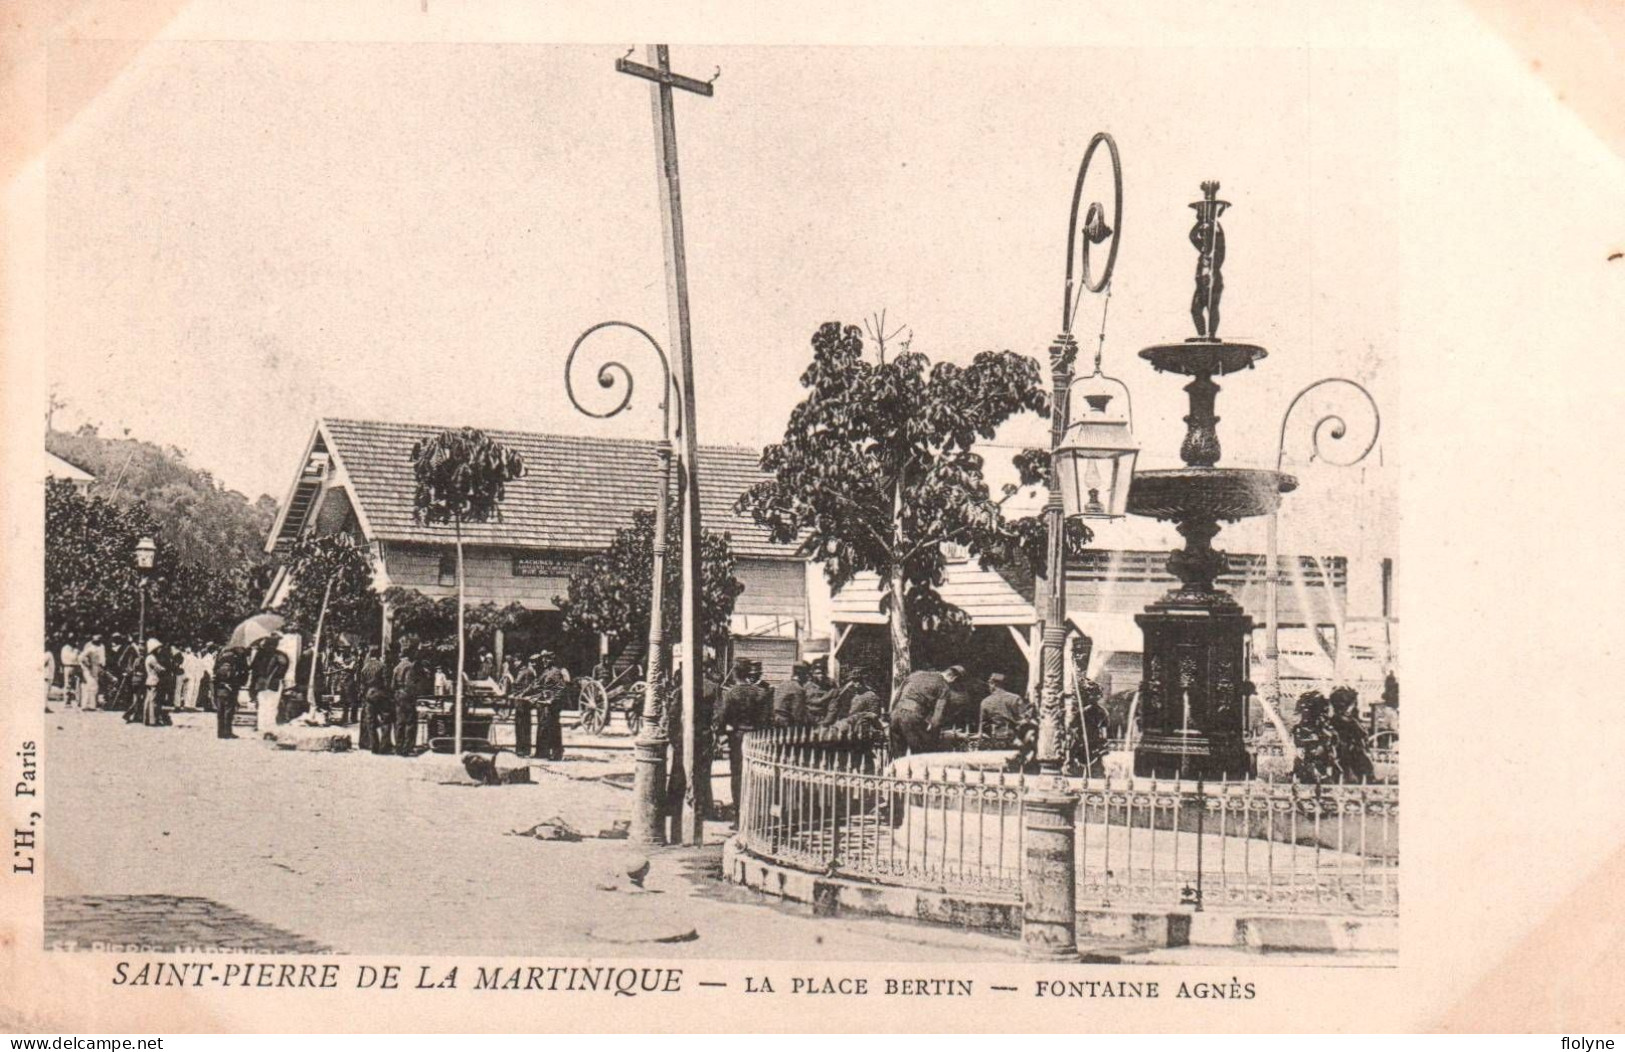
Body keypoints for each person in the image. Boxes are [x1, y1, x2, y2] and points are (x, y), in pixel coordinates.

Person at [719, 660, 771, 820]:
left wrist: (722, 734)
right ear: (748, 673)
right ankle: (754, 815)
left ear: (735, 673)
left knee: (737, 775)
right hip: (756, 738)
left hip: (737, 737)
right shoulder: (760, 693)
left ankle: (738, 816)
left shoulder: (730, 693)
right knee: (755, 775)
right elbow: (766, 719)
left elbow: (723, 717)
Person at [889, 665, 961, 757]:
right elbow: (937, 718)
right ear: (954, 678)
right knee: (921, 755)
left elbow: (897, 696)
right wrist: (934, 738)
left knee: (897, 756)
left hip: (895, 714)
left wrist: (891, 714)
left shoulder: (916, 674)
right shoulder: (944, 686)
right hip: (912, 716)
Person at [1329, 686, 1375, 782]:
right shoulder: (1350, 721)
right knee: (1361, 768)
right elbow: (1362, 734)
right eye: (1353, 704)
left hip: (1343, 751)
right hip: (1349, 752)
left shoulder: (1335, 720)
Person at [535, 651, 571, 761]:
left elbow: (561, 688)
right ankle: (544, 752)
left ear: (552, 660)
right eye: (543, 659)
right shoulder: (546, 672)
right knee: (545, 728)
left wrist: (552, 699)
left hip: (553, 706)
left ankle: (557, 753)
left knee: (553, 729)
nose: (544, 661)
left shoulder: (555, 672)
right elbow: (537, 684)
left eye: (547, 659)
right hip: (545, 705)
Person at [978, 672, 1032, 740]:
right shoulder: (1015, 698)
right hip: (1014, 738)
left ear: (993, 684)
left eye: (989, 684)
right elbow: (1025, 720)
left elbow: (983, 727)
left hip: (994, 739)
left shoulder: (985, 702)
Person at [211, 645, 249, 739]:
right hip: (231, 686)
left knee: (221, 711)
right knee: (229, 710)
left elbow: (215, 670)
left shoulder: (221, 655)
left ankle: (220, 732)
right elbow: (243, 671)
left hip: (220, 685)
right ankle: (227, 732)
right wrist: (240, 682)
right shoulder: (237, 658)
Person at [359, 646, 390, 754]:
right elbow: (386, 682)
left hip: (369, 695)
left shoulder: (365, 667)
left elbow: (362, 685)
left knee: (371, 722)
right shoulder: (382, 666)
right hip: (381, 694)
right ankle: (384, 746)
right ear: (378, 655)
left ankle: (374, 746)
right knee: (385, 720)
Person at [391, 644, 420, 756]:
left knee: (399, 722)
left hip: (398, 695)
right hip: (407, 696)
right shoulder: (410, 667)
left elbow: (392, 685)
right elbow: (410, 684)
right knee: (410, 722)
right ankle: (407, 748)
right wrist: (414, 695)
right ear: (410, 654)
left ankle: (398, 747)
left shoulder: (397, 667)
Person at [510, 654, 539, 757]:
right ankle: (519, 749)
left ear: (521, 661)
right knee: (519, 726)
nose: (514, 663)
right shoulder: (521, 671)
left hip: (524, 703)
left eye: (516, 661)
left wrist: (520, 694)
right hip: (519, 703)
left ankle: (524, 750)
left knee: (524, 726)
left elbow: (528, 687)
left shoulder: (527, 672)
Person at [79, 634, 105, 709]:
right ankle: (85, 705)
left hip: (96, 668)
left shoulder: (100, 648)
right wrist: (87, 664)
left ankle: (92, 705)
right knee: (90, 686)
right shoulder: (90, 648)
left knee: (94, 687)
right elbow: (81, 657)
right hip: (89, 670)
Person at [60, 640, 81, 708]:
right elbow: (72, 658)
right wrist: (76, 652)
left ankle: (78, 701)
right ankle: (67, 701)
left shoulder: (75, 649)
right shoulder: (66, 648)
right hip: (69, 666)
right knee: (68, 684)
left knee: (77, 684)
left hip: (76, 667)